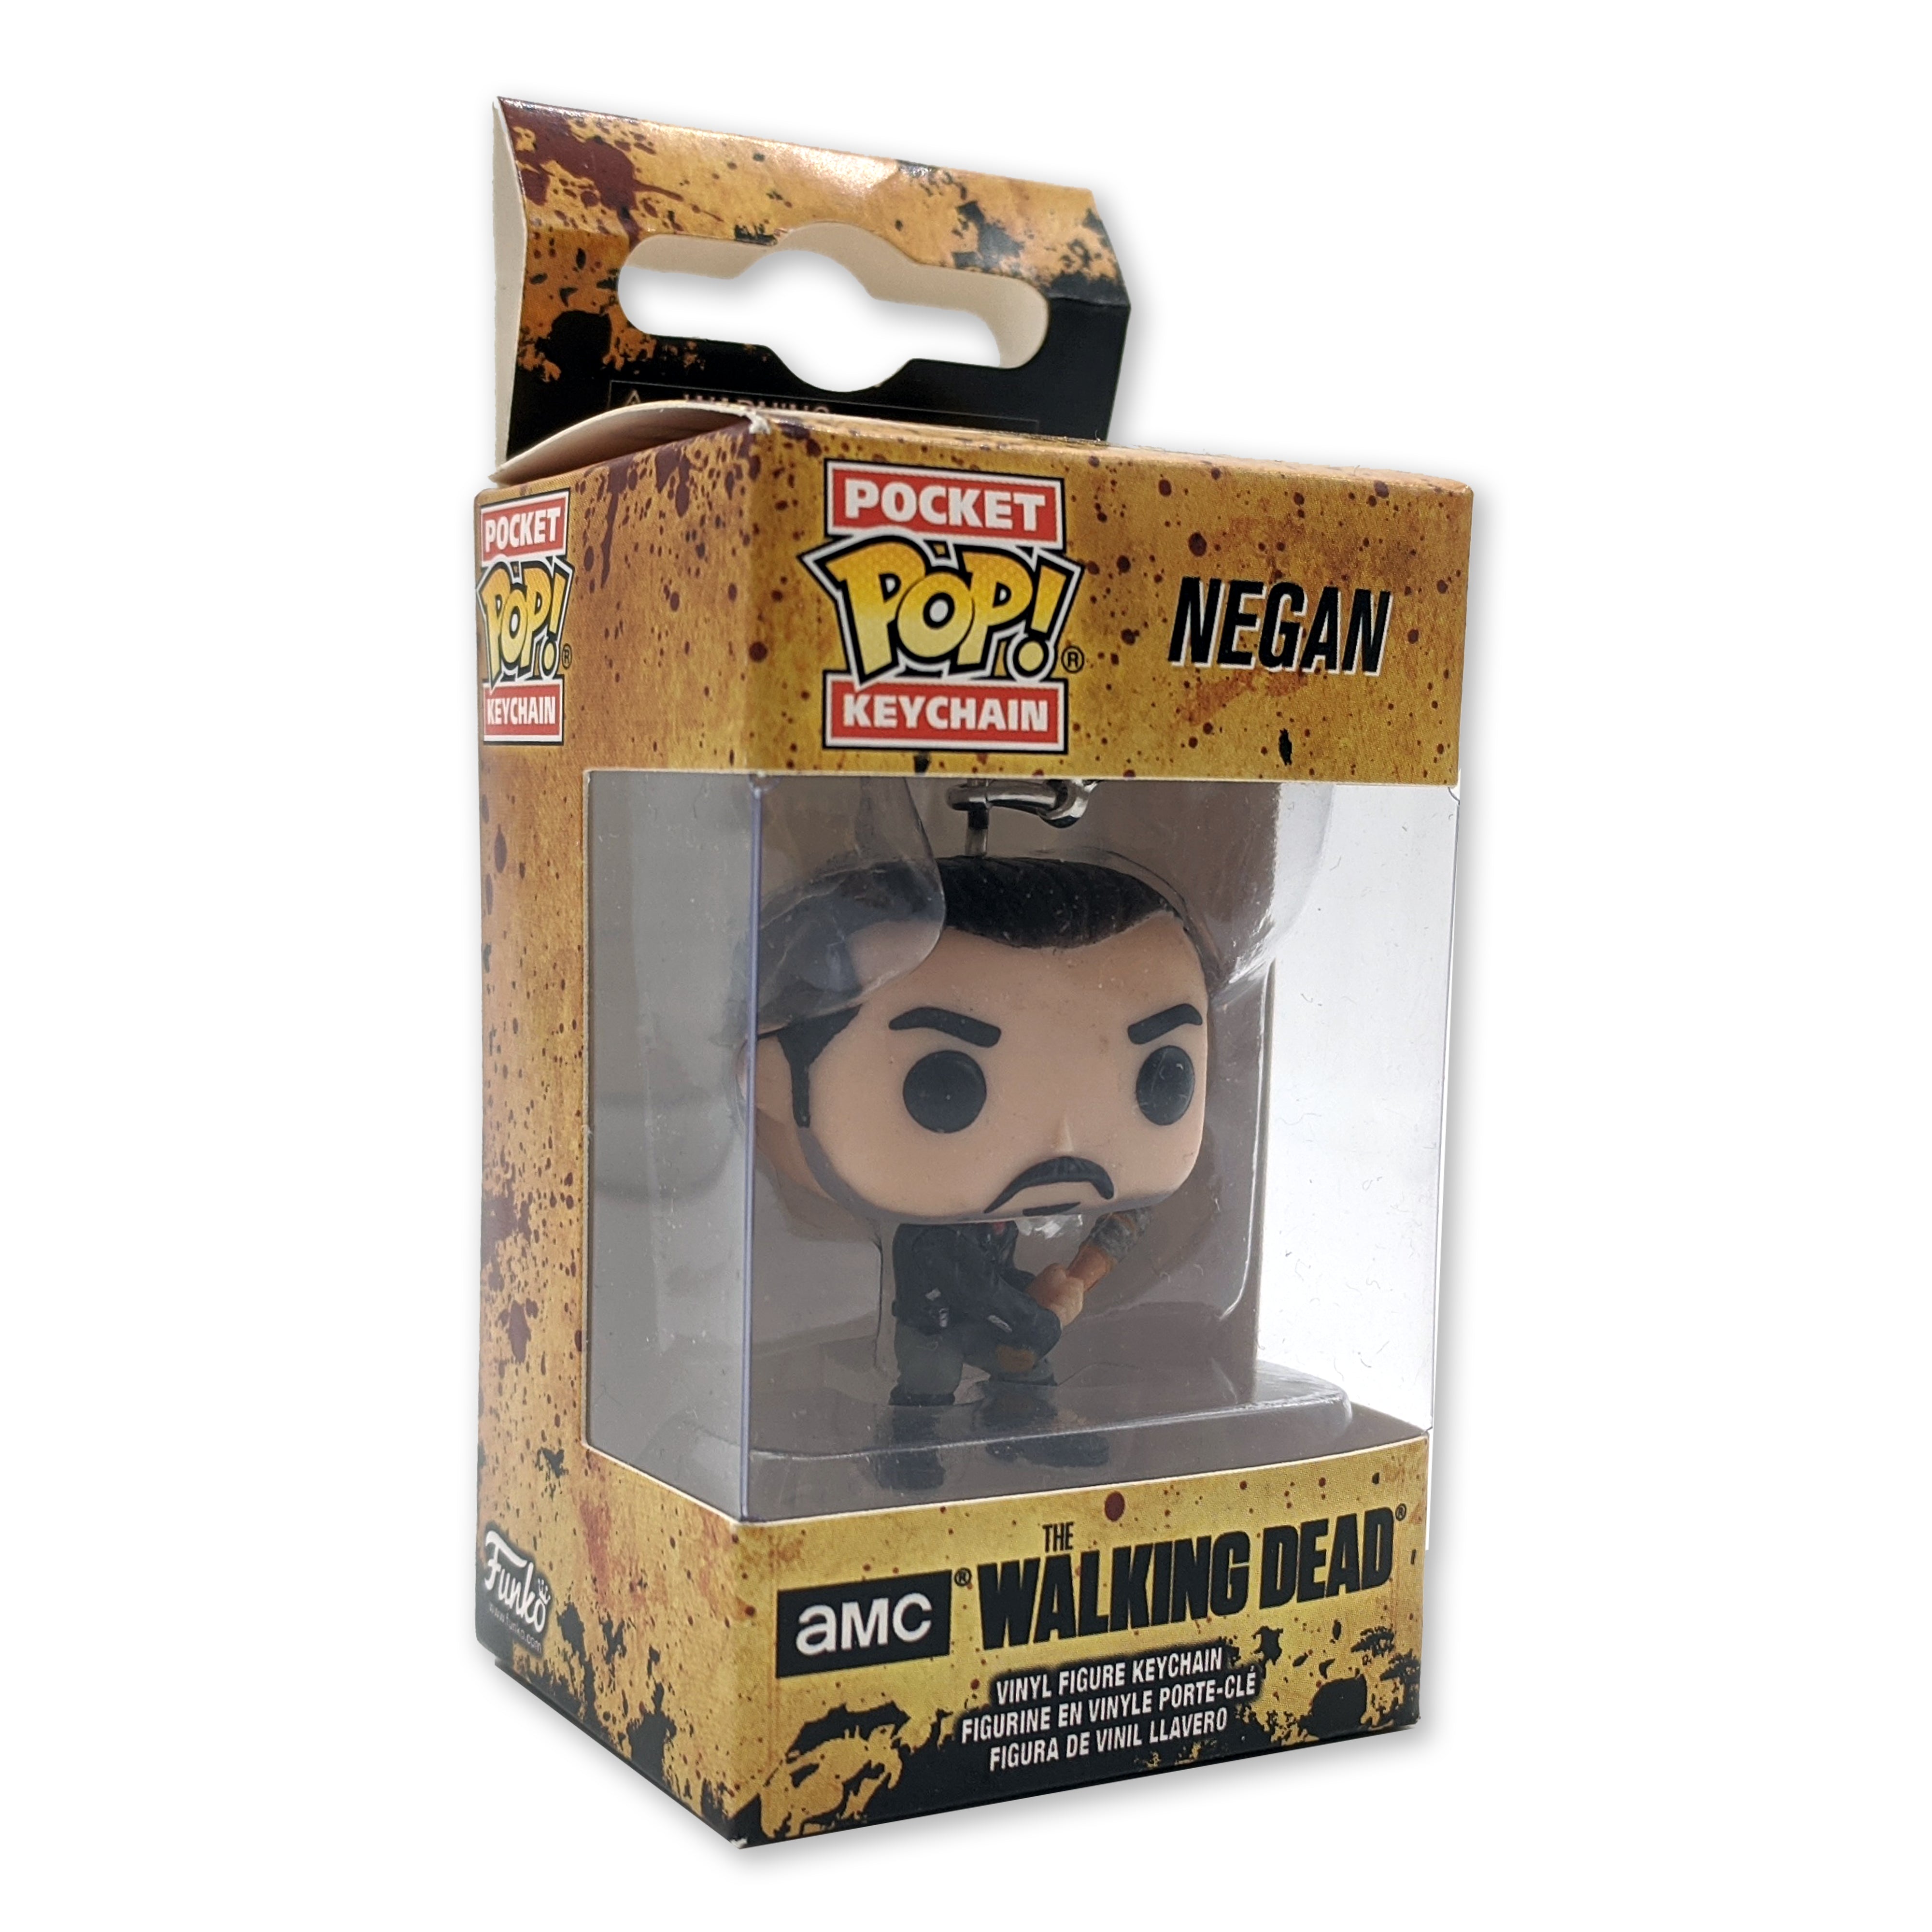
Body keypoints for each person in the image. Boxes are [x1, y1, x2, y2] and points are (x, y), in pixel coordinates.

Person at [754, 855, 1209, 1486]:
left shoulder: (995, 1219)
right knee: (932, 1380)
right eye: (944, 1086)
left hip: (986, 1312)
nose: (1062, 1144)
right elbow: (968, 1285)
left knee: (1025, 1366)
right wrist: (1035, 1315)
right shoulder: (931, 1239)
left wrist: (1040, 1303)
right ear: (772, 1079)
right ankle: (912, 1446)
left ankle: (1022, 1424)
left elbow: (1007, 1276)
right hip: (935, 1327)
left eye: (1162, 1078)